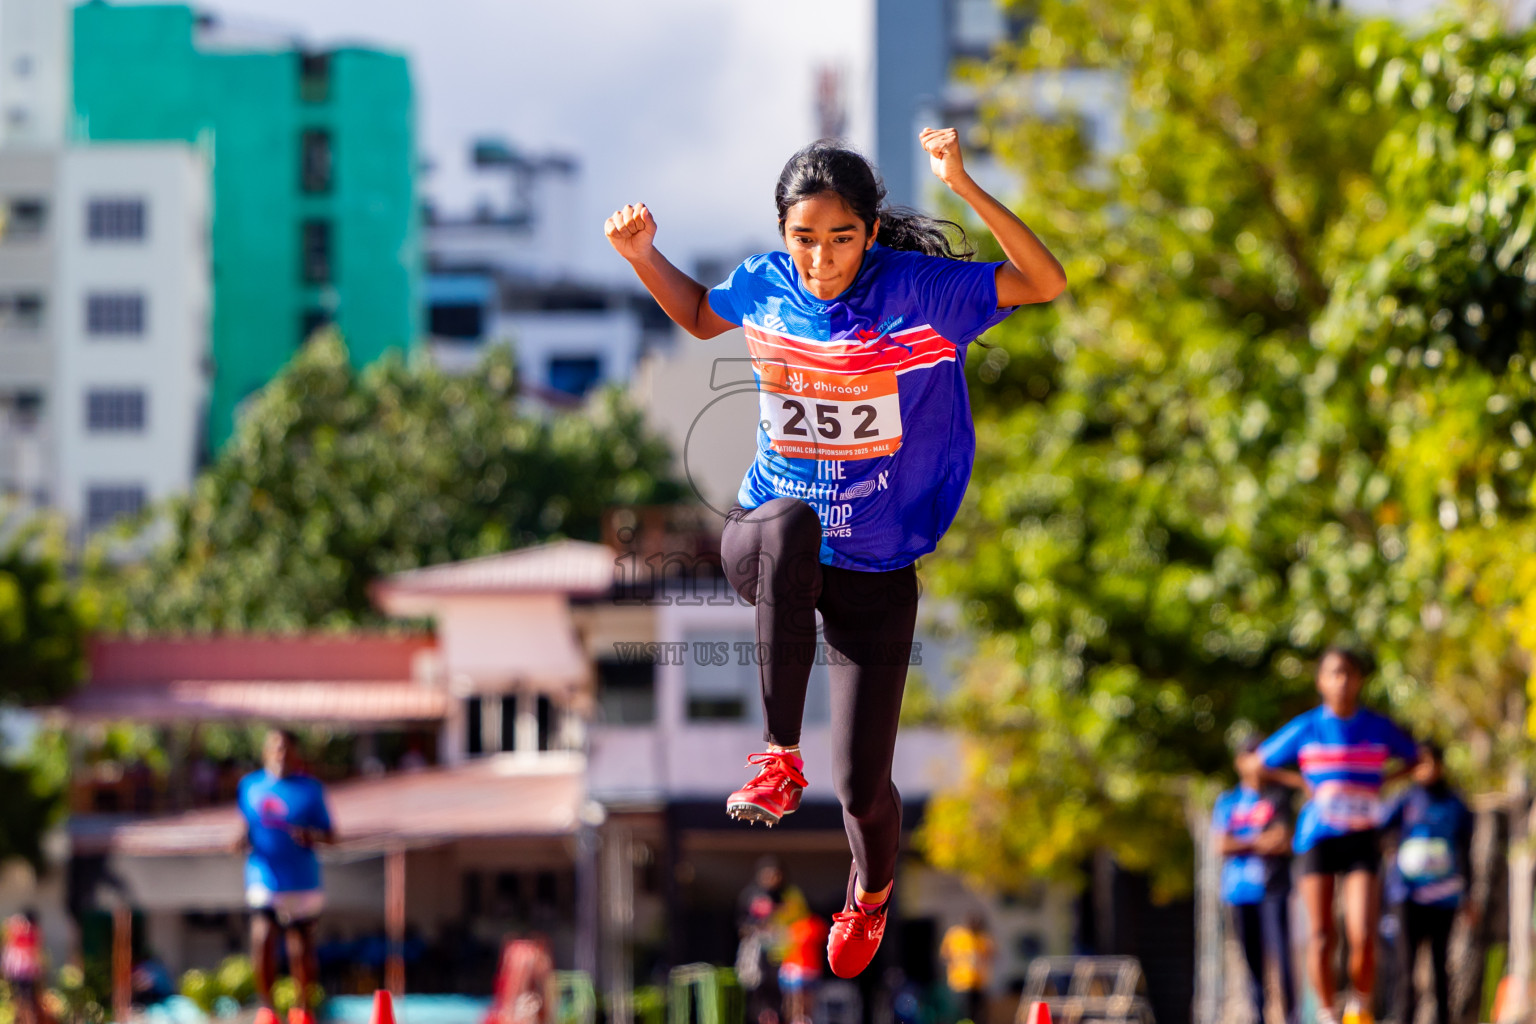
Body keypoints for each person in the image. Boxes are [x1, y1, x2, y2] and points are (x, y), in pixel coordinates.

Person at [606, 128, 1064, 979]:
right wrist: (644, 257)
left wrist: (965, 186)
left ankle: (871, 891)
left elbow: (1044, 281)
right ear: (783, 235)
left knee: (862, 788)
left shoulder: (919, 290)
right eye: (803, 239)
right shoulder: (766, 282)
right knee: (788, 524)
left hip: (875, 567)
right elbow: (701, 316)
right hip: (767, 540)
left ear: (872, 231)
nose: (820, 261)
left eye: (841, 239)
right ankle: (778, 758)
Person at [1255, 647, 1420, 1024]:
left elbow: (1416, 758)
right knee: (1321, 935)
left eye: (1349, 673)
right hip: (1318, 838)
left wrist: (1382, 781)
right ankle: (1327, 1014)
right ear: (1321, 681)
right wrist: (1302, 783)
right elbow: (1258, 763)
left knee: (1363, 932)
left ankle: (1359, 1008)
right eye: (1334, 673)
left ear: (1359, 681)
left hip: (1361, 837)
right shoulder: (1307, 727)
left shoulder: (1377, 726)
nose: (1342, 681)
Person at [237, 728, 336, 1024]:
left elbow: (331, 835)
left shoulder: (310, 789)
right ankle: (267, 1009)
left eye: (285, 748)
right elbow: (246, 825)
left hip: (301, 878)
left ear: (295, 753)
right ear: (265, 751)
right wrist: (239, 839)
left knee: (299, 947)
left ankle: (303, 1010)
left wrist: (310, 835)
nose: (280, 754)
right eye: (274, 747)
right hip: (264, 874)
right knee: (263, 935)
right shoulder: (250, 786)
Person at [1383, 742, 1473, 1024]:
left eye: (1431, 762)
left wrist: (1468, 895)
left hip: (1443, 897)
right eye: (1420, 763)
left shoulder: (1455, 804)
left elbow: (1466, 850)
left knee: (1439, 965)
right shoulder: (1404, 799)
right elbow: (1379, 827)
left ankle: (1444, 1018)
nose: (1427, 769)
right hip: (1407, 895)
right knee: (1405, 967)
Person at [1215, 740, 1297, 1024]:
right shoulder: (1228, 801)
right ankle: (1258, 1016)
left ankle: (1290, 1017)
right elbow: (1222, 844)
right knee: (1251, 963)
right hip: (1239, 891)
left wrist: (1244, 842)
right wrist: (1260, 841)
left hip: (1273, 889)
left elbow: (1283, 840)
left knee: (1281, 959)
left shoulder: (1278, 798)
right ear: (1239, 761)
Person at [737, 857, 790, 1024]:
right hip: (755, 954)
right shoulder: (751, 895)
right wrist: (757, 928)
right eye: (768, 874)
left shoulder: (785, 896)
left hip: (779, 953)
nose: (772, 878)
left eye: (776, 875)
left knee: (779, 993)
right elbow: (741, 925)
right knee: (755, 990)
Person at [777, 891, 828, 1024]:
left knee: (806, 1000)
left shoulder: (815, 925)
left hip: (809, 970)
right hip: (792, 969)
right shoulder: (793, 925)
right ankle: (793, 1020)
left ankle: (803, 1020)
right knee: (792, 1000)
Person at [939, 915, 994, 1024]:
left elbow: (991, 955)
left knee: (978, 1015)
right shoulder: (956, 935)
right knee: (961, 1013)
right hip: (960, 983)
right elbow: (944, 955)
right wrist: (958, 961)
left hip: (978, 984)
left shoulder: (982, 938)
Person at [2, 910, 45, 1024]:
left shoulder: (22, 935)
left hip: (21, 973)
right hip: (26, 973)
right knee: (26, 1001)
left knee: (23, 1000)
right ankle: (26, 1020)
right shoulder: (30, 935)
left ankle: (25, 1020)